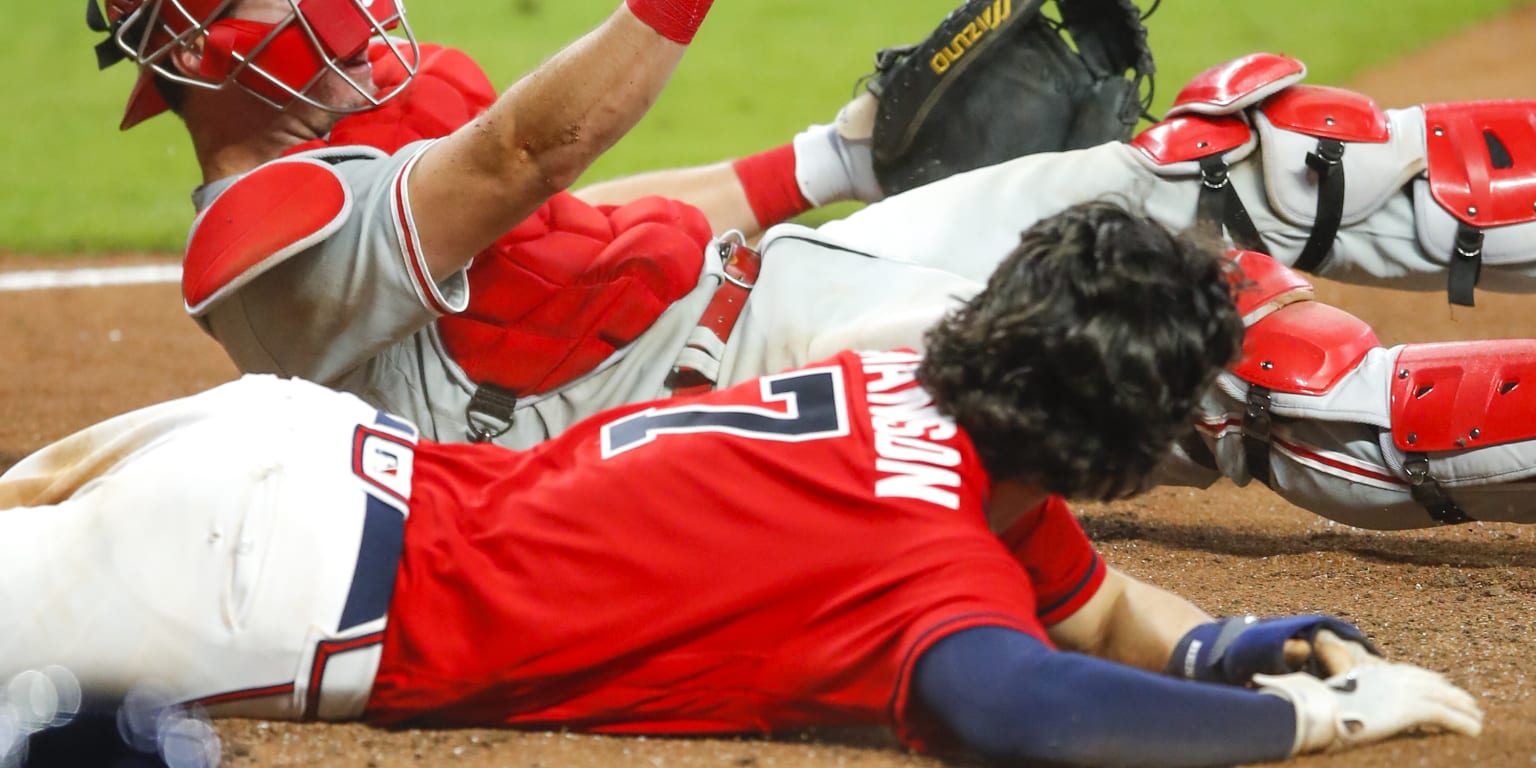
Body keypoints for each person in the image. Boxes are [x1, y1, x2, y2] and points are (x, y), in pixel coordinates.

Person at [0, 205, 1482, 766]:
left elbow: (1085, 618)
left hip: (272, 445)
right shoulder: (938, 572)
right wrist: (1297, 720)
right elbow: (1015, 704)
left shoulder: (903, 397)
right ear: (1116, 431)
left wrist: (1228, 645)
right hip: (266, 584)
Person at [91, 0, 1536, 530]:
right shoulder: (256, 240)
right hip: (739, 404)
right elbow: (528, 160)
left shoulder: (380, 138)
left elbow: (568, 215)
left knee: (1237, 154)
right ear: (187, 42)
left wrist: (835, 158)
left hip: (773, 289)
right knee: (1187, 344)